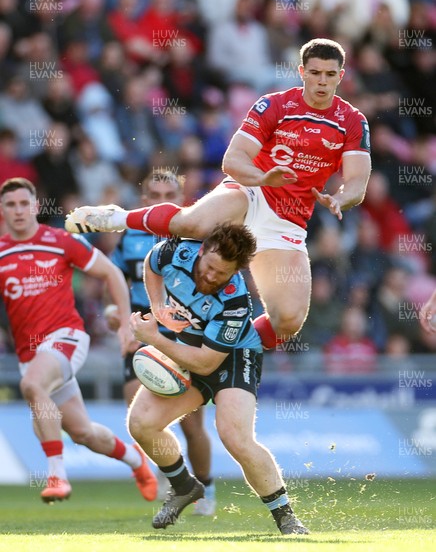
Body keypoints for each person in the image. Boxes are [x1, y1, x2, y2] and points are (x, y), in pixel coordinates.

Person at [65, 38, 371, 350]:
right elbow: (232, 160)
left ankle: (223, 354)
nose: (322, 81)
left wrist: (341, 198)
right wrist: (264, 177)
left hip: (288, 221)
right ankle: (118, 217)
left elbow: (358, 181)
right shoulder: (275, 105)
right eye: (315, 73)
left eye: (330, 75)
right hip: (251, 191)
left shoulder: (352, 121)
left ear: (341, 76)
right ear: (301, 71)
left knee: (288, 321)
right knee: (193, 224)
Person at [127, 223, 309, 535]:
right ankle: (184, 486)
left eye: (221, 274)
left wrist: (154, 338)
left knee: (234, 436)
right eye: (209, 267)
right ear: (202, 250)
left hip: (234, 357)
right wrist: (157, 306)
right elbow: (151, 265)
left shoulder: (235, 304)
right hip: (191, 346)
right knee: (141, 423)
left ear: (236, 273)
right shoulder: (175, 251)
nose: (211, 277)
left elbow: (206, 362)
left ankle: (286, 516)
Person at [0, 177, 157, 503]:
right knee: (83, 433)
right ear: (2, 210)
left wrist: (126, 325)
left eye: (23, 203)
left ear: (36, 206)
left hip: (66, 337)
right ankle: (136, 460)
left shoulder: (60, 241)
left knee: (31, 385)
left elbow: (111, 274)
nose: (18, 210)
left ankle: (57, 474)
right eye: (10, 204)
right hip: (30, 353)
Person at [106, 169, 216, 515]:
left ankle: (206, 488)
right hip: (143, 329)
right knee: (136, 410)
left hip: (184, 332)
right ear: (144, 202)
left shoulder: (198, 237)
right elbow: (115, 278)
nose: (162, 202)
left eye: (170, 195)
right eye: (155, 196)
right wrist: (114, 310)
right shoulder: (130, 237)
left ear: (183, 201)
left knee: (191, 422)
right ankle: (176, 476)